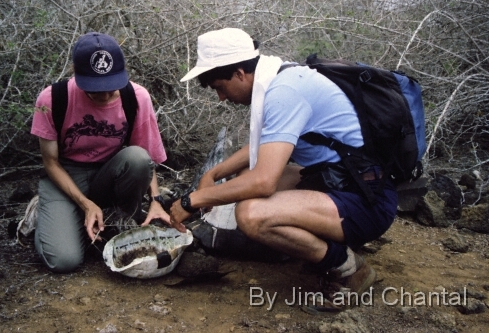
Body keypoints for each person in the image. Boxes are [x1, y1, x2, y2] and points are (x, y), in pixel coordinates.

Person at [170, 28, 397, 306]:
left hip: (368, 200)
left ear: (240, 73)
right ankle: (315, 244)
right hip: (345, 180)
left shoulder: (285, 91)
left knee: (251, 213)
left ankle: (349, 268)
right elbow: (261, 150)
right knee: (244, 181)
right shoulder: (279, 77)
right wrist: (213, 174)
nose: (221, 97)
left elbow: (263, 181)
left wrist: (192, 200)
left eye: (220, 87)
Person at [31, 32, 169, 273]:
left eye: (111, 87)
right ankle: (44, 218)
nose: (105, 96)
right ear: (76, 72)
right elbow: (50, 162)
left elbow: (146, 157)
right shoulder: (52, 99)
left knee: (136, 158)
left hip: (108, 171)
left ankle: (119, 219)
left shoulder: (136, 97)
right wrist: (85, 204)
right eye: (94, 89)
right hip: (66, 174)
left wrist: (156, 201)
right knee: (63, 260)